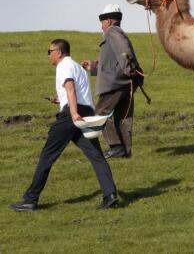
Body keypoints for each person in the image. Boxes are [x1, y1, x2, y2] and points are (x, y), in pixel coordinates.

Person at [10, 38, 119, 212]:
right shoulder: (78, 68)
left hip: (72, 116)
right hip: (85, 114)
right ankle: (110, 195)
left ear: (58, 52)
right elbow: (77, 93)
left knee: (47, 155)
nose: (49, 56)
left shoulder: (63, 65)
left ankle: (30, 200)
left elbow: (70, 89)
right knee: (96, 156)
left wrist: (73, 112)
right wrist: (61, 101)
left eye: (49, 52)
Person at [82, 3, 142, 159]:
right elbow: (113, 61)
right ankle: (125, 151)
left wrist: (128, 69)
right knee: (123, 118)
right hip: (123, 83)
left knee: (99, 115)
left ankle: (115, 147)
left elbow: (124, 51)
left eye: (102, 22)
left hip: (114, 84)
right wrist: (93, 67)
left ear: (108, 21)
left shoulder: (112, 31)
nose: (101, 26)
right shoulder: (117, 32)